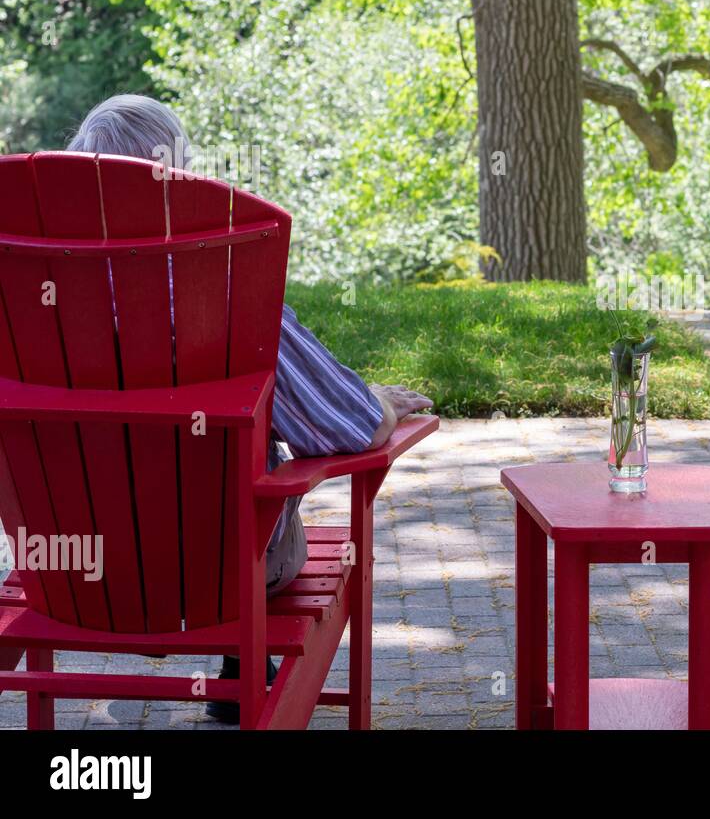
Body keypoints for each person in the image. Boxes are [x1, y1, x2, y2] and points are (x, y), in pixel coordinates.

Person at [67, 94, 434, 723]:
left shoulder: (30, 304)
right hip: (220, 572)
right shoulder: (226, 288)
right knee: (261, 490)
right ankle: (246, 652)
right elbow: (345, 428)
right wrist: (381, 404)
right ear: (177, 181)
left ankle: (242, 663)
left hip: (75, 574)